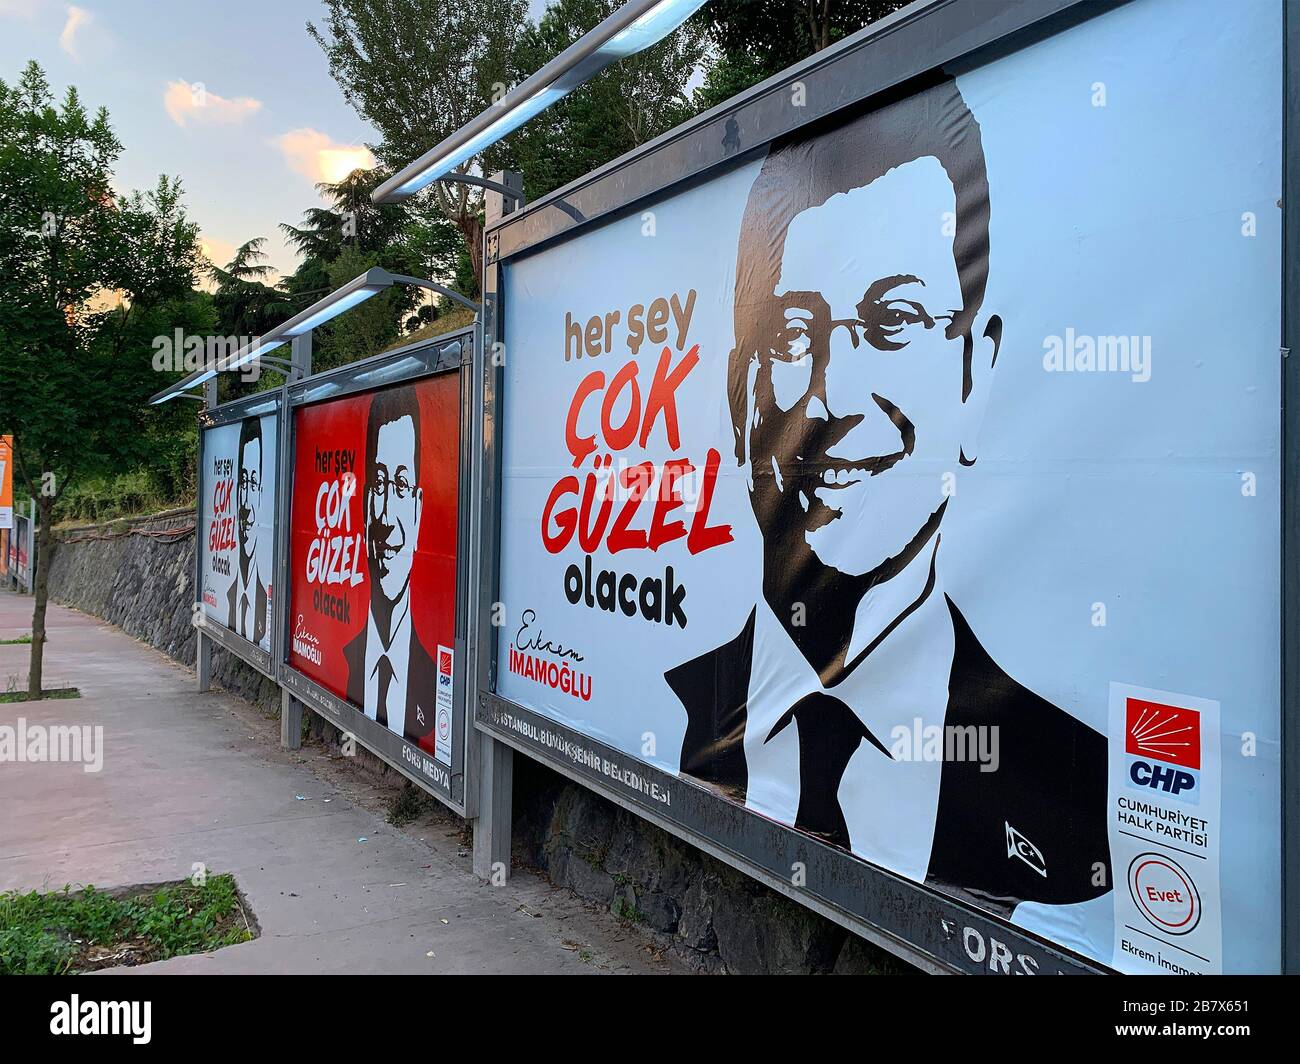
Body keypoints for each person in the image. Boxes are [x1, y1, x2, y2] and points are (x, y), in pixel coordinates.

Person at [666, 78, 1110, 917]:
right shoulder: (668, 713)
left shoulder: (1083, 810)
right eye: (795, 333)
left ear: (975, 377)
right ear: (738, 395)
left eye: (894, 322)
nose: (836, 399)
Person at [343, 386, 436, 745]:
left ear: (417, 508)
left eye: (400, 484)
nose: (385, 516)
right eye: (379, 485)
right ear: (366, 508)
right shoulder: (343, 660)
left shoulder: (435, 681)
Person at [227, 416, 269, 647]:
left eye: (253, 484)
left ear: (263, 491)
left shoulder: (269, 598)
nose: (245, 505)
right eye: (243, 484)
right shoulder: (227, 596)